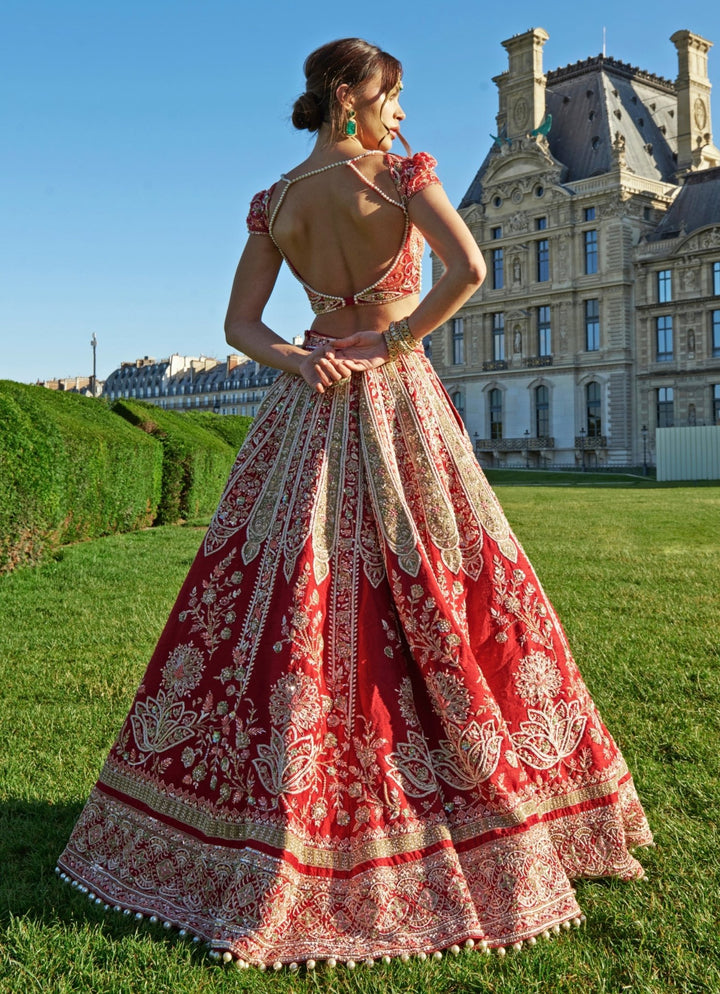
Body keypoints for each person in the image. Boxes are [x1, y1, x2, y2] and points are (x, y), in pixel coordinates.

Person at [57, 37, 652, 971]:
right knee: (447, 577)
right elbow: (468, 272)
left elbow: (238, 326)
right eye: (393, 95)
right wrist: (400, 341)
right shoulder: (400, 175)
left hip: (309, 401)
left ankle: (248, 804)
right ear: (349, 96)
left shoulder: (277, 201)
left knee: (285, 586)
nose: (403, 113)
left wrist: (299, 359)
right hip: (392, 392)